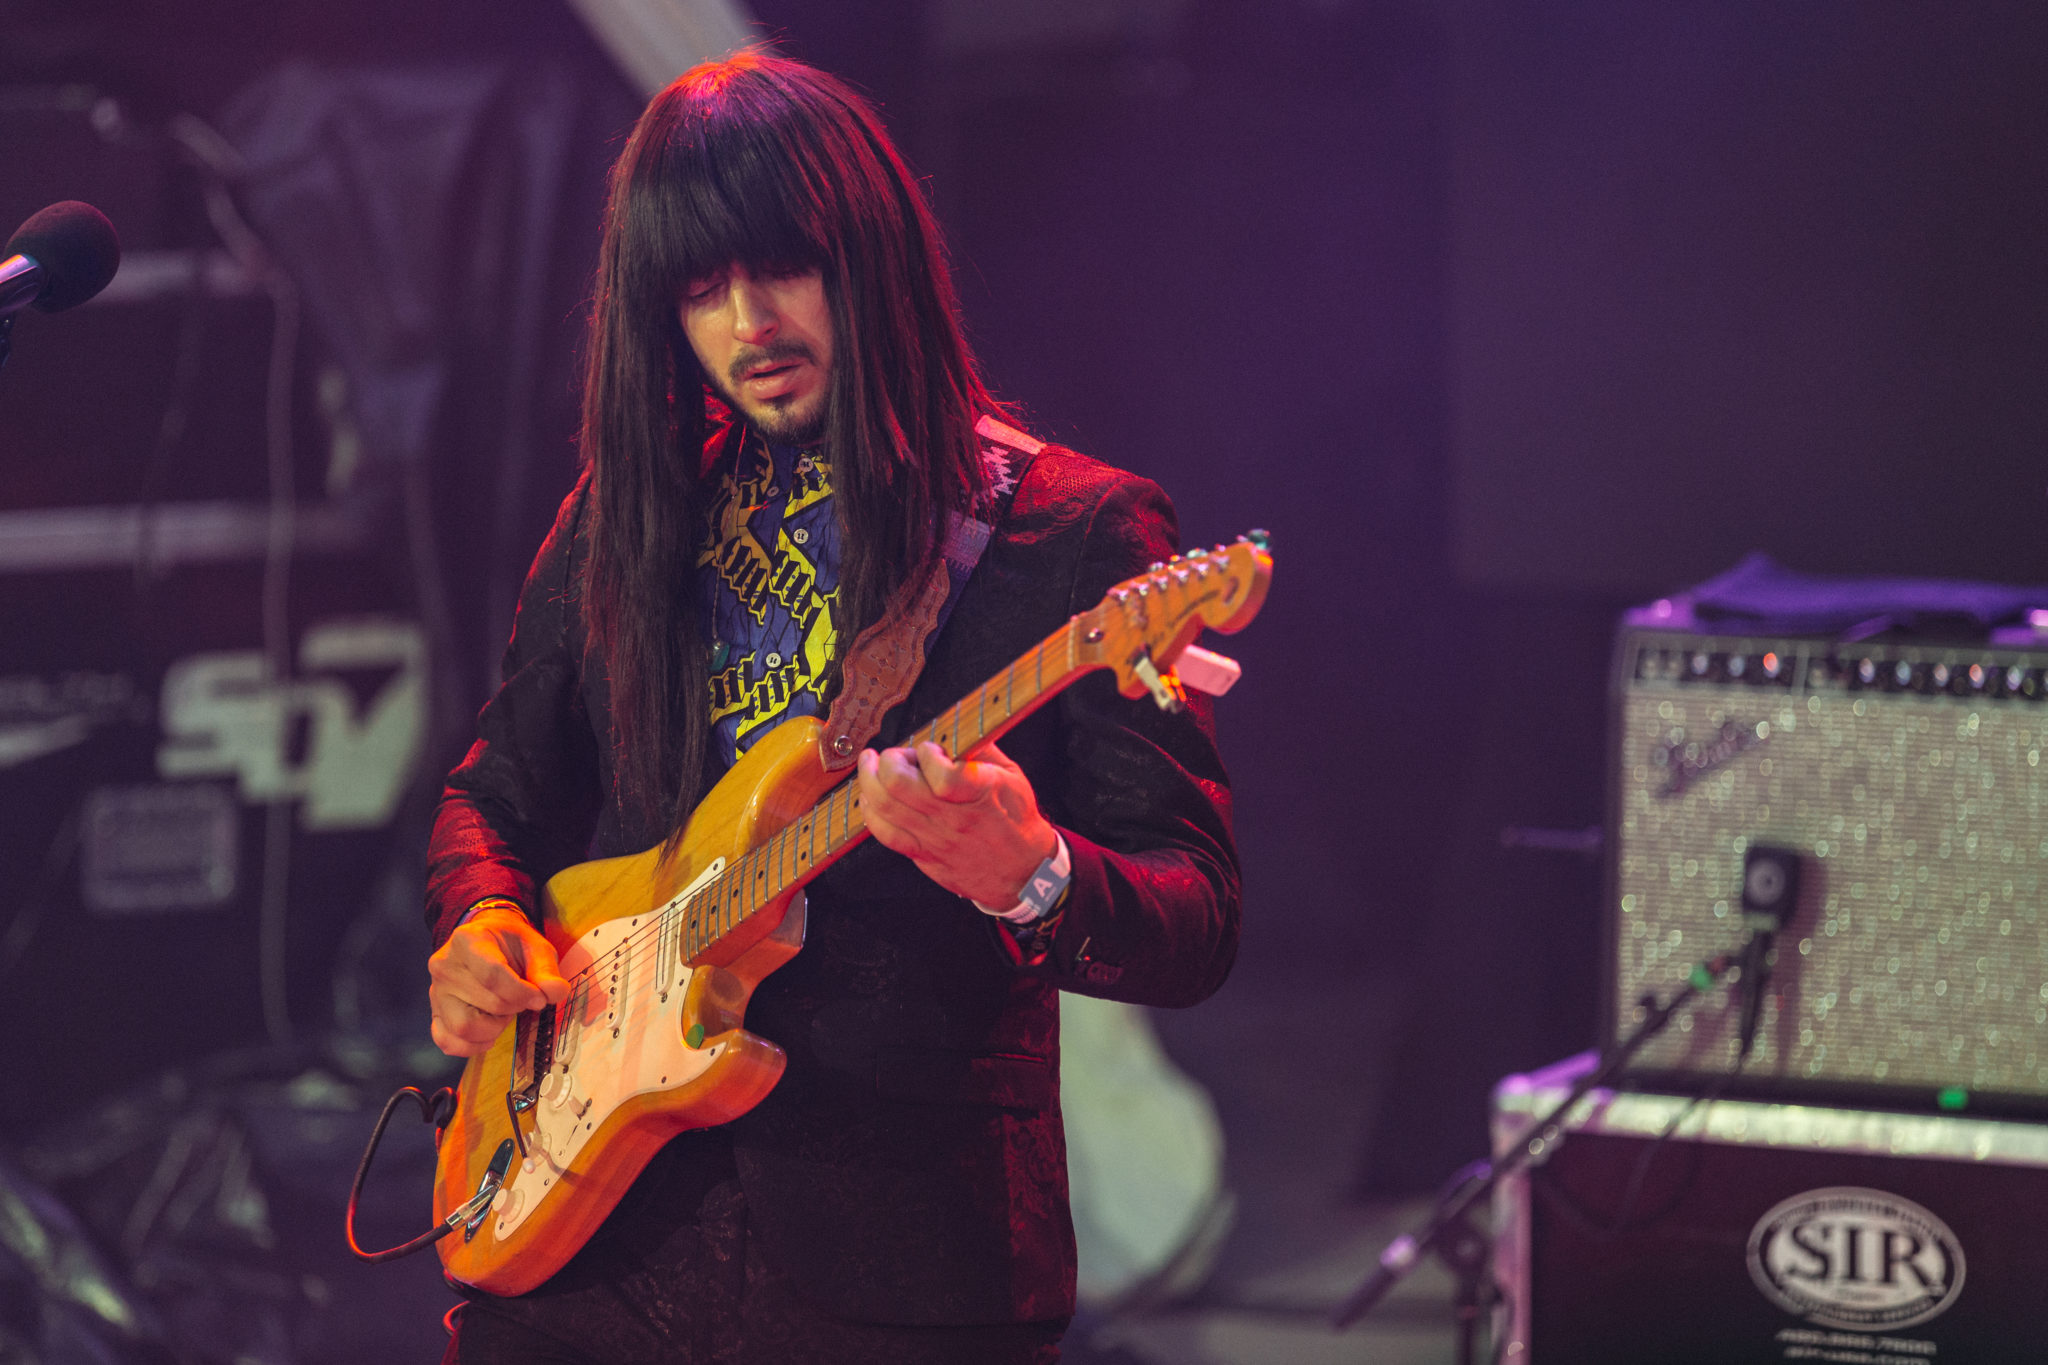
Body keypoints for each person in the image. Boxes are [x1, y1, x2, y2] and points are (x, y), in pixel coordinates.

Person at [423, 50, 1239, 1364]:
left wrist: (1031, 874)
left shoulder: (1073, 532)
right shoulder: (628, 514)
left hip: (901, 1265)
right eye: (700, 287)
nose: (749, 319)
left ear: (872, 257)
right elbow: (496, 790)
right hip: (591, 1238)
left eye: (784, 265)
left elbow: (1194, 923)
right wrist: (480, 921)